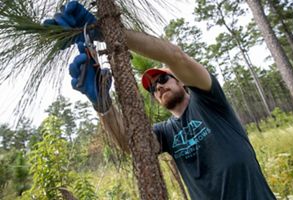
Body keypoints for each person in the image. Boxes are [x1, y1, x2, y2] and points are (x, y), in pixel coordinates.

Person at [45, 1, 276, 199]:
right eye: (153, 88)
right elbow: (130, 143)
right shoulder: (166, 132)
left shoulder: (208, 100)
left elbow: (175, 56)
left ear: (181, 81)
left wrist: (103, 32)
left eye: (163, 78)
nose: (159, 87)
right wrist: (103, 105)